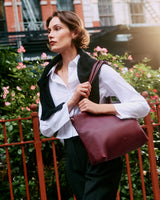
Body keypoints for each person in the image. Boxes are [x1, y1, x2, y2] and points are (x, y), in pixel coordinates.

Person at [38, 10, 150, 200]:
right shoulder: (47, 79)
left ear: (74, 32)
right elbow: (46, 128)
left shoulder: (98, 69)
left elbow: (141, 105)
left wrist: (100, 108)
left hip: (102, 149)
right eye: (49, 30)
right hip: (72, 155)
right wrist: (72, 101)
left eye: (57, 29)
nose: (51, 35)